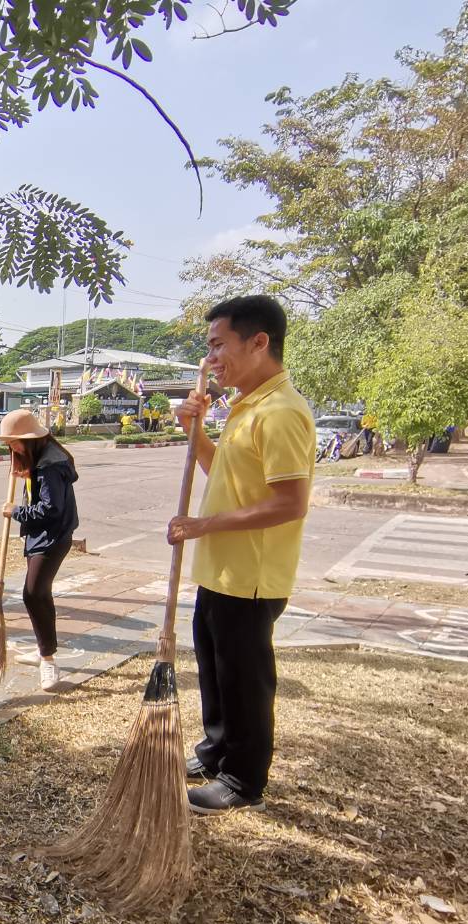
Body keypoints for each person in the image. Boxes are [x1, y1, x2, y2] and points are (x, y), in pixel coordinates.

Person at [168, 296, 314, 814]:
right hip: (221, 570)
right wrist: (194, 432)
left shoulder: (281, 412)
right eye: (208, 348)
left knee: (244, 679)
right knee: (215, 668)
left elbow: (289, 503)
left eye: (217, 346)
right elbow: (223, 474)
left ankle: (243, 779)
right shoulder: (245, 405)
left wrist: (203, 525)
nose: (210, 359)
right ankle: (216, 750)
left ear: (259, 342)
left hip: (251, 576)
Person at [0, 409, 79, 692]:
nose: (12, 448)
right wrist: (26, 475)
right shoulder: (42, 458)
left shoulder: (49, 466)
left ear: (30, 440)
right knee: (40, 594)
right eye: (9, 443)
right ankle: (43, 647)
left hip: (52, 537)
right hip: (41, 536)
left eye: (14, 442)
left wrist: (16, 511)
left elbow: (50, 509)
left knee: (33, 593)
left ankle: (48, 660)